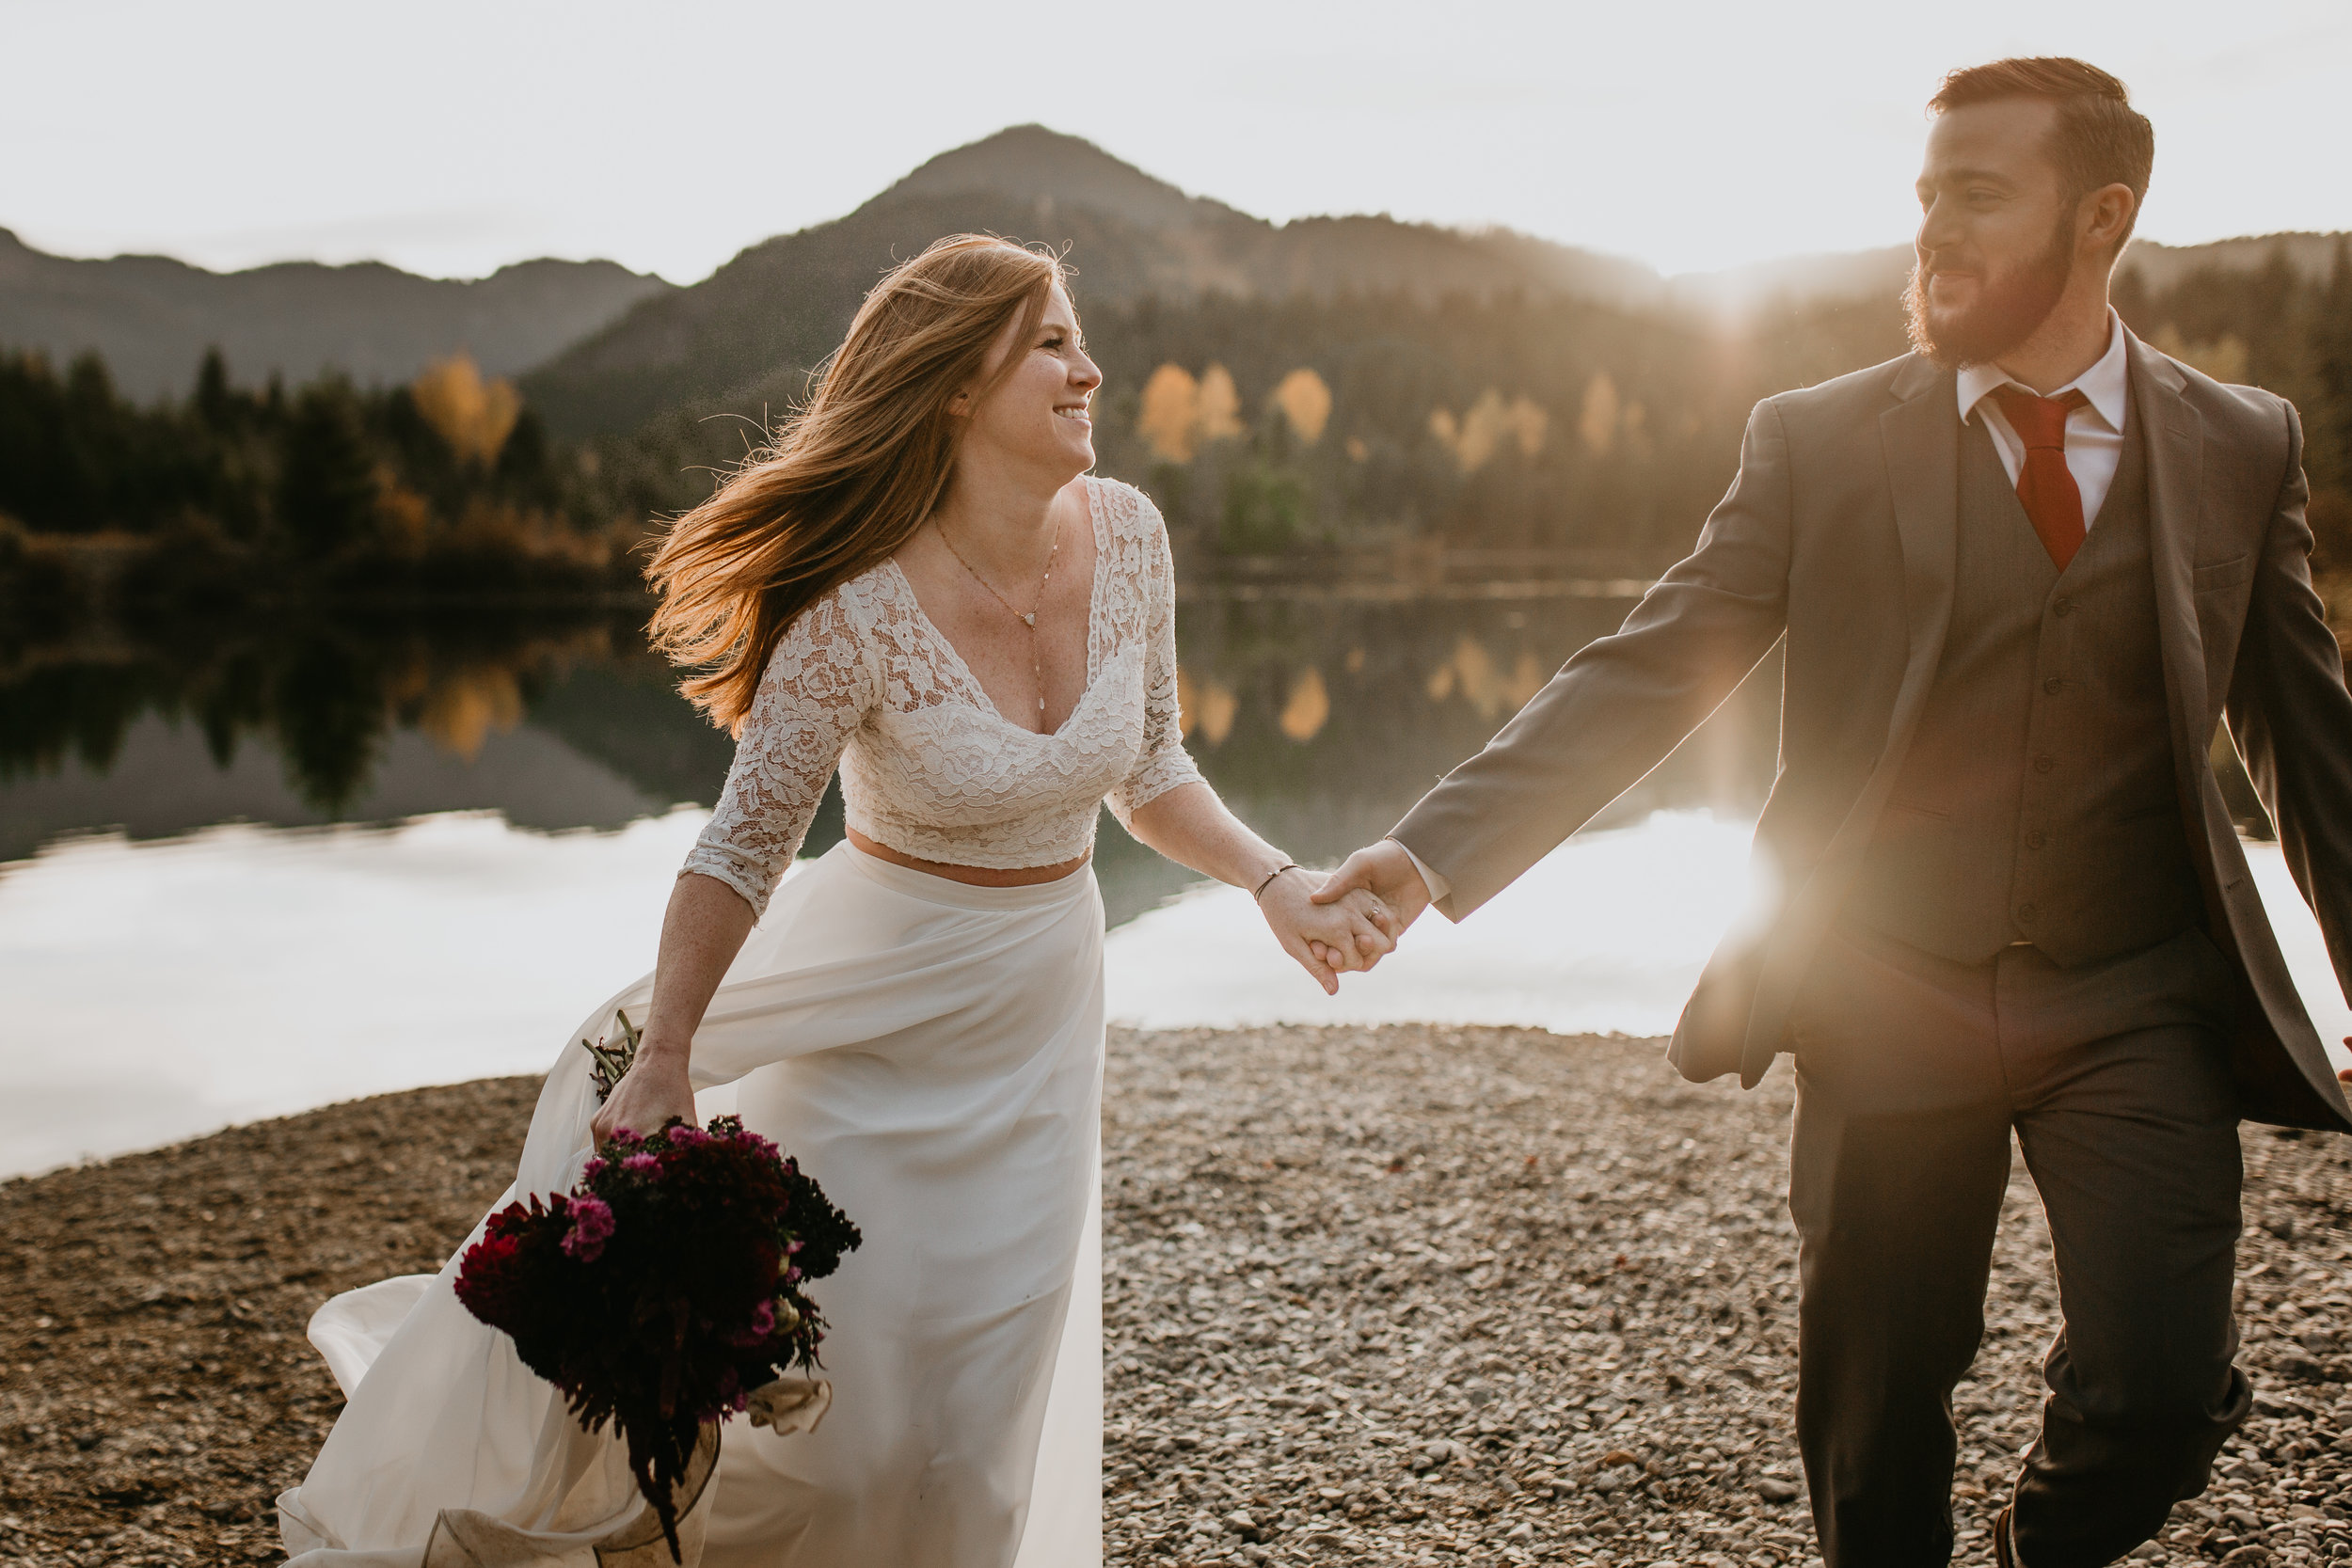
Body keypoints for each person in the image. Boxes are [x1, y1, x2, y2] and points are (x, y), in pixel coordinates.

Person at [1312, 57, 2352, 1568]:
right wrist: (1427, 853)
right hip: (1883, 985)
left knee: (2165, 1391)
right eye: (1926, 195)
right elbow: (1652, 666)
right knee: (1875, 1428)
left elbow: (2313, 756)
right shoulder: (1819, 440)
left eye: (1979, 196)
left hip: (2139, 995)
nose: (1933, 232)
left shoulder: (2242, 444)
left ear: (2104, 213)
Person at [278, 234, 1394, 1567]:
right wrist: (675, 1050)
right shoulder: (854, 607)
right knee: (848, 1437)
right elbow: (744, 842)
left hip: (1041, 1011)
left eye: (1076, 338)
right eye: (1051, 342)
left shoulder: (1136, 540)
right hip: (878, 1007)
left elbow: (1150, 769)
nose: (1089, 367)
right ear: (952, 388)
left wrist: (1274, 881)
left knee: (980, 1431)